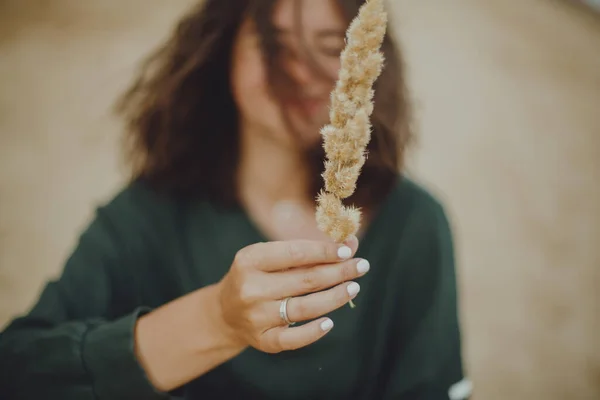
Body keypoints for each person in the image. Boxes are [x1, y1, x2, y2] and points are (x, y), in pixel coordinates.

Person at [0, 0, 470, 399]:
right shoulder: (147, 216)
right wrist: (215, 321)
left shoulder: (414, 223)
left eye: (332, 46)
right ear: (221, 49)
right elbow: (18, 371)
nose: (301, 71)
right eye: (275, 45)